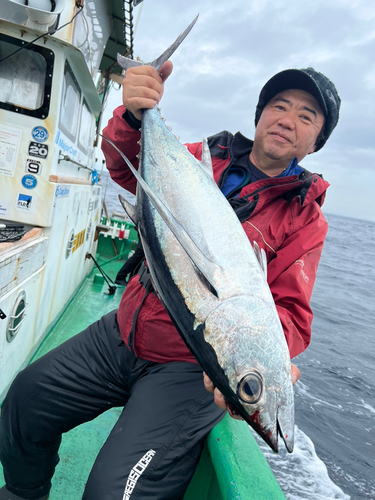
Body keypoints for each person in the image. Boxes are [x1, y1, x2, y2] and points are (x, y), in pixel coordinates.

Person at [0, 61, 340, 500]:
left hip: (189, 367)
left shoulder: (304, 218)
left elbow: (291, 313)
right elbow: (127, 168)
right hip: (125, 331)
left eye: (306, 116)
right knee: (25, 401)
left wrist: (260, 361)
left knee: (113, 492)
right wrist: (134, 113)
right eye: (279, 106)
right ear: (260, 115)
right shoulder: (204, 158)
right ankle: (25, 493)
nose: (287, 120)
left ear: (316, 143)